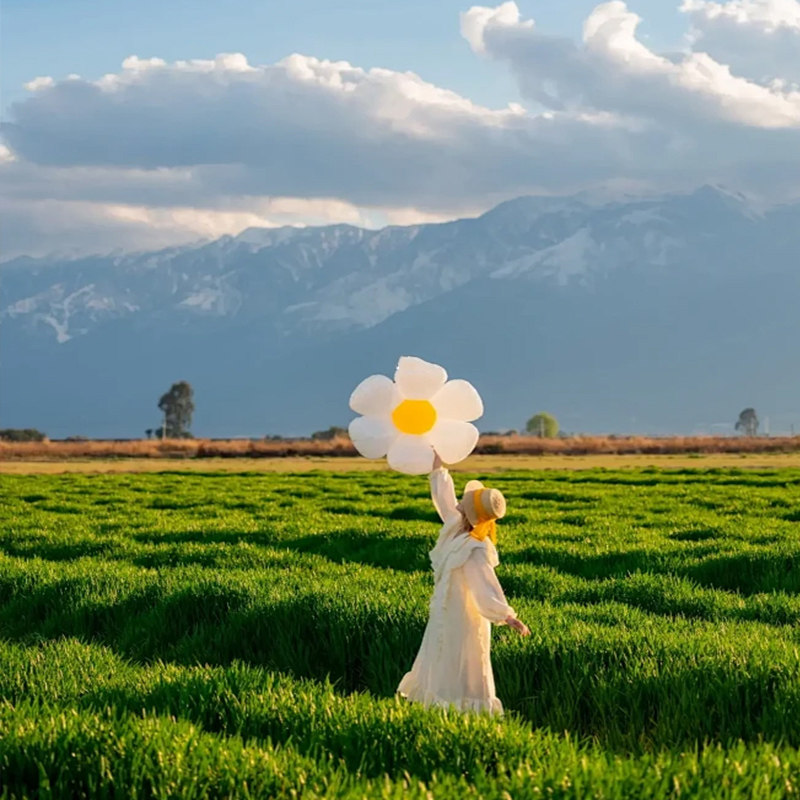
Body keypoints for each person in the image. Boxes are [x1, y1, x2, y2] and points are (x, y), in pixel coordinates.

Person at [397, 452, 530, 714]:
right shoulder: (456, 527)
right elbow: (444, 500)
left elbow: (485, 586)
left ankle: (464, 714)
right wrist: (437, 464)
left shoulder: (475, 548)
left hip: (464, 619)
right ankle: (437, 712)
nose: (459, 503)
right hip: (445, 611)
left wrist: (506, 616)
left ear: (469, 513)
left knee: (462, 664)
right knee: (439, 658)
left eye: (464, 502)